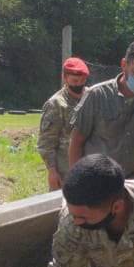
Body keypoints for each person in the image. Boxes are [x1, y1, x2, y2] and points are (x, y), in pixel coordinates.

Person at [69, 39, 134, 181]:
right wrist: (77, 183)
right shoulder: (97, 95)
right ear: (124, 65)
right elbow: (76, 141)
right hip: (98, 178)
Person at [36, 57, 90, 190]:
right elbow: (46, 142)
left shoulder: (91, 97)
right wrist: (52, 172)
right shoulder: (56, 104)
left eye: (82, 81)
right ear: (65, 78)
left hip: (89, 168)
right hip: (65, 171)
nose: (78, 85)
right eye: (74, 81)